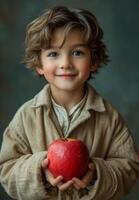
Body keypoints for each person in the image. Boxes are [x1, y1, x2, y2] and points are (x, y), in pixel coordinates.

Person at [0, 6, 139, 200]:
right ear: (39, 65)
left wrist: (97, 174)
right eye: (53, 54)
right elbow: (6, 169)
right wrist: (38, 170)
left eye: (77, 53)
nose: (65, 63)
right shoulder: (26, 116)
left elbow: (129, 167)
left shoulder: (109, 116)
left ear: (94, 61)